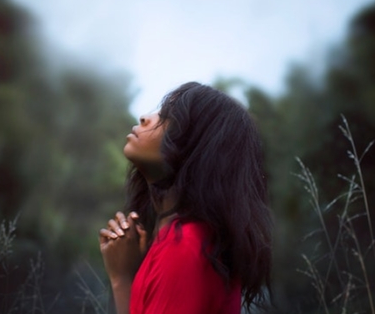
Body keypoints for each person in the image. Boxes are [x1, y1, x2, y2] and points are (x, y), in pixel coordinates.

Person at [98, 82, 273, 314]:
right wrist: (123, 279)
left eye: (168, 118)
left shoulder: (185, 249)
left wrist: (121, 279)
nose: (144, 118)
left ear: (198, 148)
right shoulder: (180, 241)